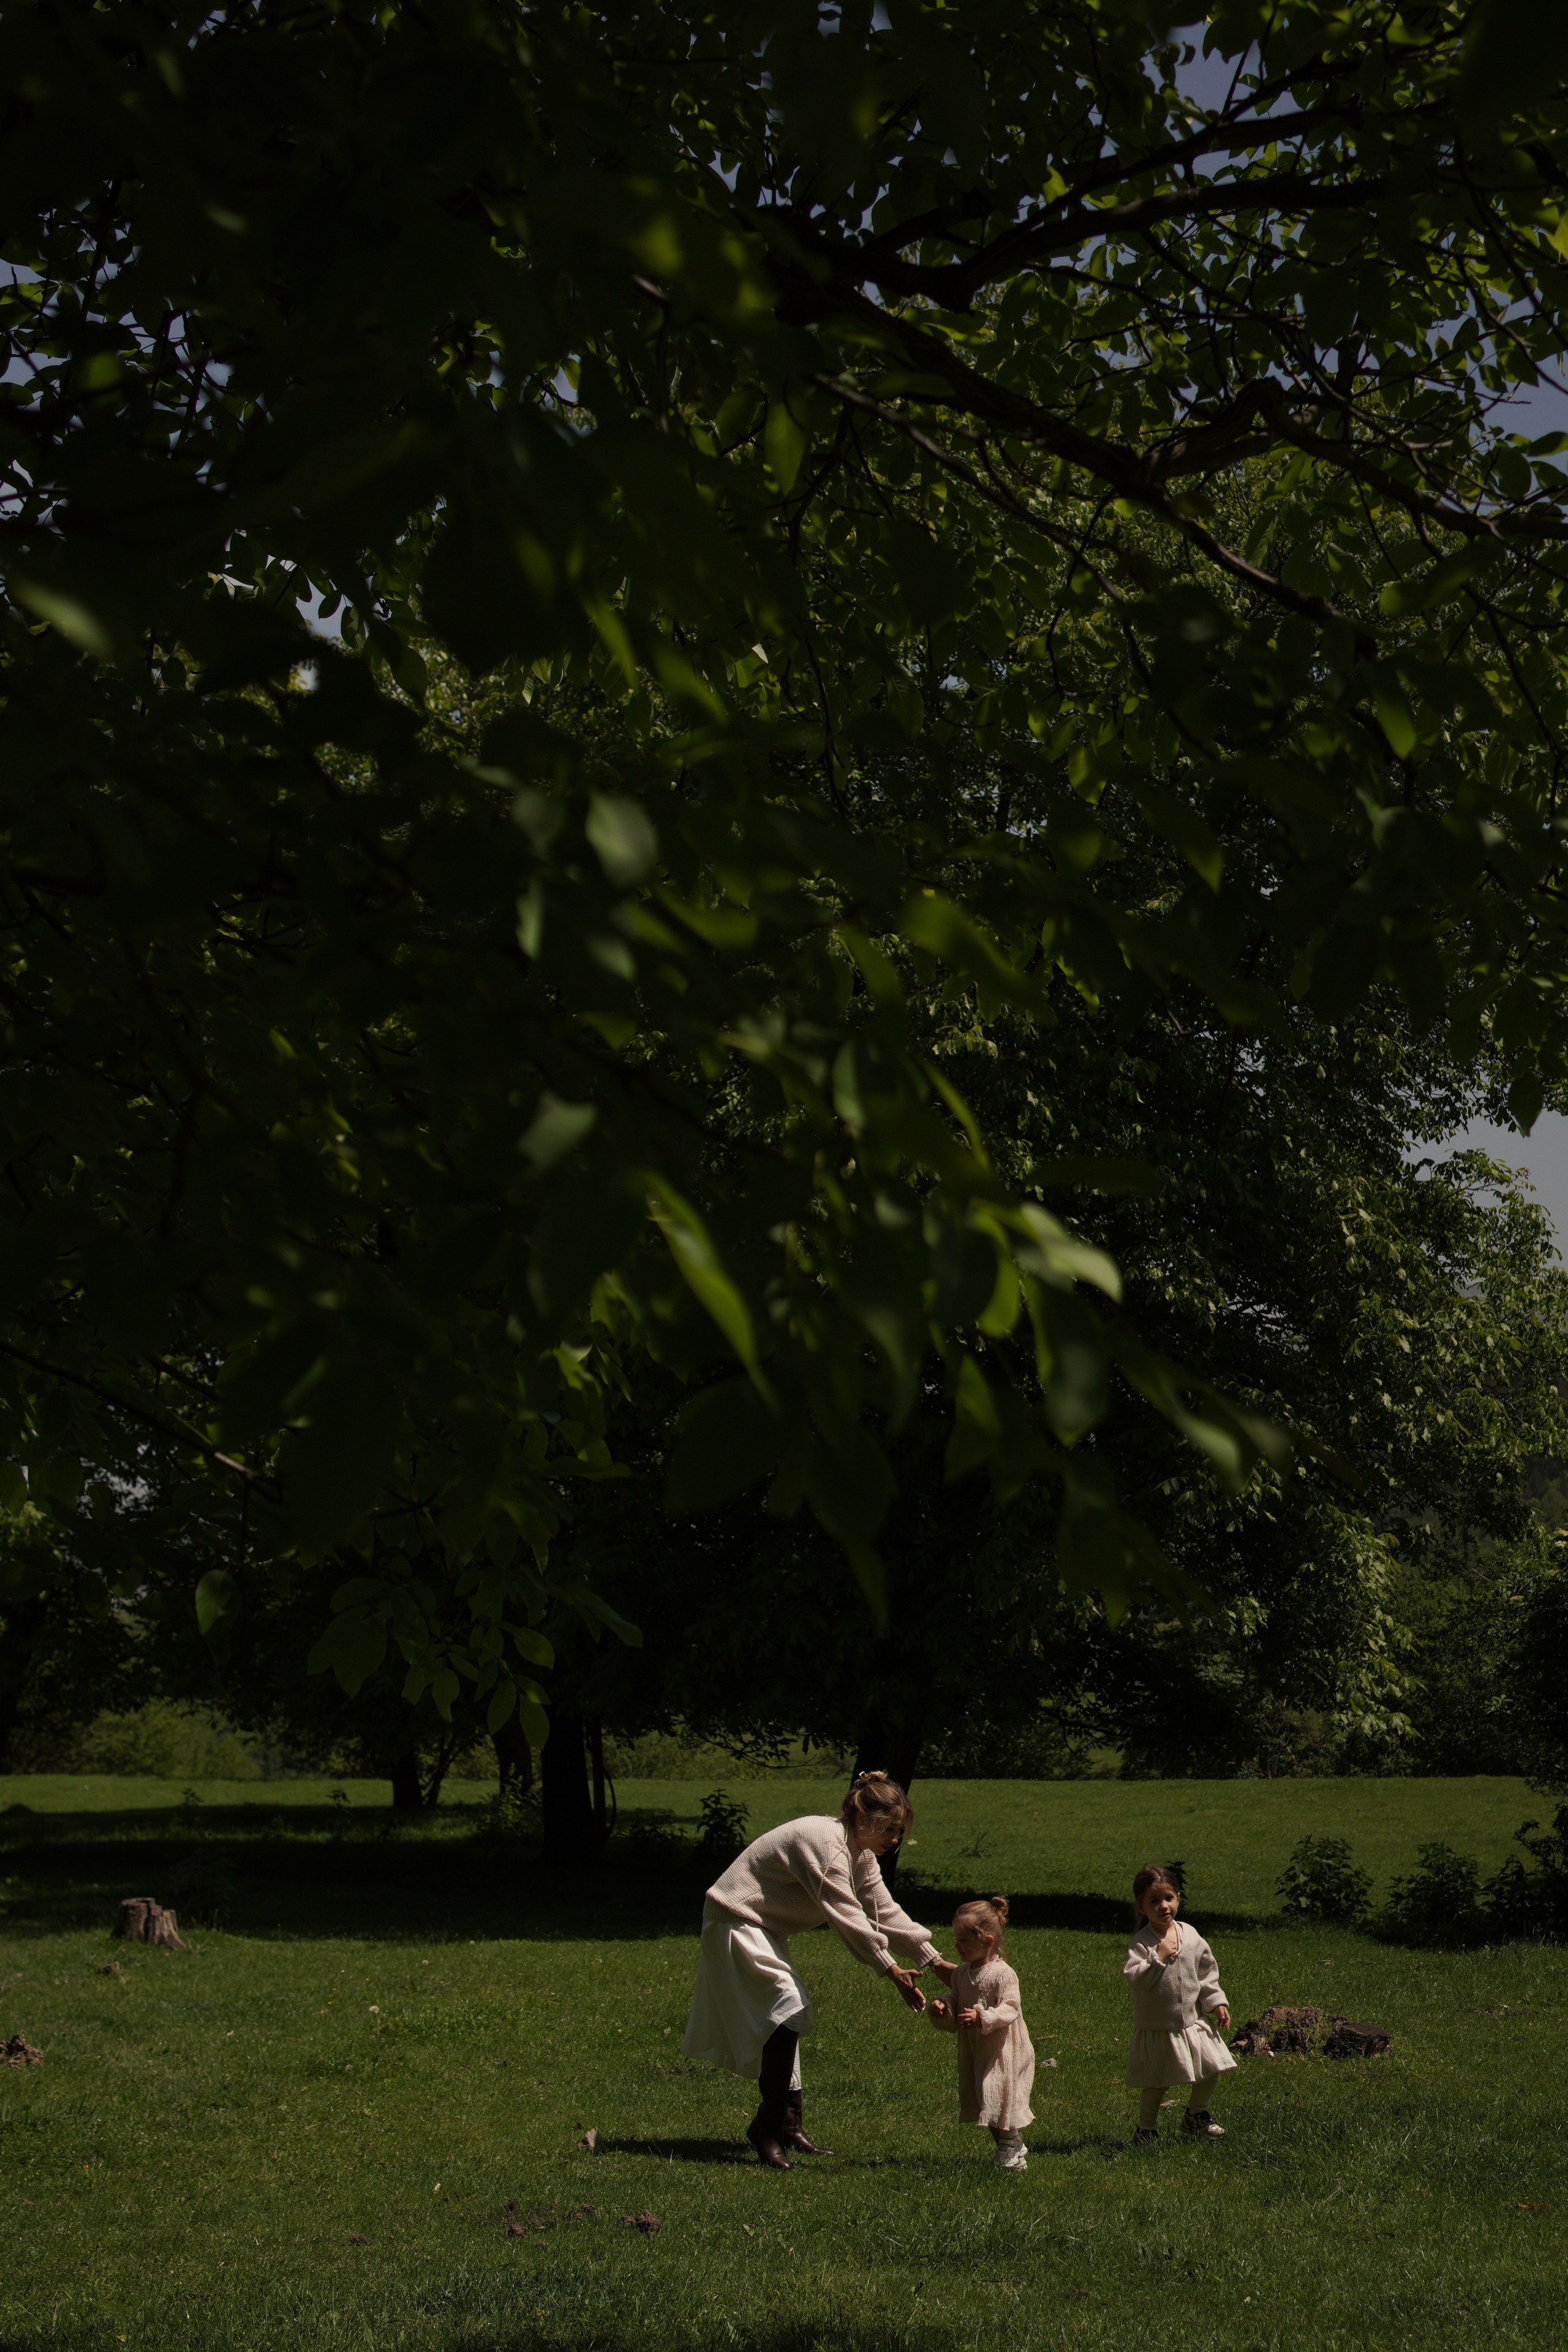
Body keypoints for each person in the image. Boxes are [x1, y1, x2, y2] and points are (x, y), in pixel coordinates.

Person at [682, 1770, 937, 2168]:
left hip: (762, 1927)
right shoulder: (826, 1843)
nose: (895, 1839)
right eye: (889, 1828)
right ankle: (766, 2130)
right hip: (734, 1920)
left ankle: (788, 2125)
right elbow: (846, 1913)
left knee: (787, 2015)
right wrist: (890, 1969)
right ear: (863, 1820)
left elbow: (881, 1910)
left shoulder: (860, 1854)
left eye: (900, 1831)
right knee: (788, 2004)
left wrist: (933, 1959)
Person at [1124, 1863, 1235, 2145]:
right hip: (1159, 2028)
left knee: (1212, 2067)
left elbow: (1206, 1973)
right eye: (1154, 1901)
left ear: (1178, 1898)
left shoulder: (1192, 1935)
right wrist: (1157, 1958)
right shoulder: (1142, 1943)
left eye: (1169, 1899)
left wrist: (1216, 2002)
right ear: (1141, 1907)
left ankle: (1196, 2116)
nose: (1163, 1906)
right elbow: (1136, 1980)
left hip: (1193, 2022)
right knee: (1157, 2083)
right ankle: (1145, 2130)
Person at [927, 1893, 1035, 2172]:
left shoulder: (1003, 1974)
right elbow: (956, 1997)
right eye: (957, 1940)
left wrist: (984, 2016)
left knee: (998, 2091)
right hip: (977, 2047)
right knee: (983, 2096)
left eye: (964, 1940)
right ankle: (1012, 2145)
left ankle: (1009, 2146)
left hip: (1003, 2048)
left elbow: (1010, 2008)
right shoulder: (962, 1974)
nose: (957, 1946)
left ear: (986, 1940)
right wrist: (943, 2006)